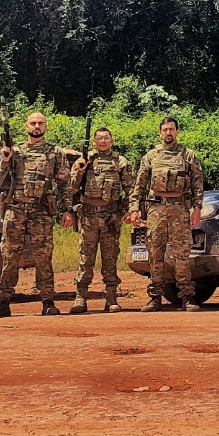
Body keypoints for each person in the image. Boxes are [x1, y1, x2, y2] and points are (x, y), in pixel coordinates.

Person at [0, 111, 70, 318]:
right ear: (26, 126)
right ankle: (3, 301)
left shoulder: (54, 152)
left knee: (43, 256)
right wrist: (5, 160)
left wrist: (67, 209)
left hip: (41, 211)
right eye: (33, 123)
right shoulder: (15, 152)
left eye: (40, 123)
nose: (36, 126)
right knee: (10, 256)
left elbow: (64, 183)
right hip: (15, 210)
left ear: (46, 126)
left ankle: (48, 301)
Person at [130, 117, 205, 312]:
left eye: (171, 129)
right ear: (159, 132)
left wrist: (197, 208)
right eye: (164, 130)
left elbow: (197, 182)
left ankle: (187, 297)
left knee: (182, 253)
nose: (168, 133)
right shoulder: (151, 156)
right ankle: (155, 297)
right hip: (156, 209)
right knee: (155, 253)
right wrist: (134, 209)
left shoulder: (188, 155)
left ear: (177, 132)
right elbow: (139, 185)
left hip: (179, 209)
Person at [66, 127, 134, 314]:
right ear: (94, 141)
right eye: (99, 138)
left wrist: (128, 211)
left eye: (106, 138)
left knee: (110, 258)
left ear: (111, 141)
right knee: (85, 258)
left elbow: (131, 189)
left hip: (111, 216)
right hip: (88, 217)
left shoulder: (121, 162)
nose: (103, 141)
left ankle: (111, 298)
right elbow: (71, 187)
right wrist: (80, 171)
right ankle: (80, 297)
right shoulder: (85, 160)